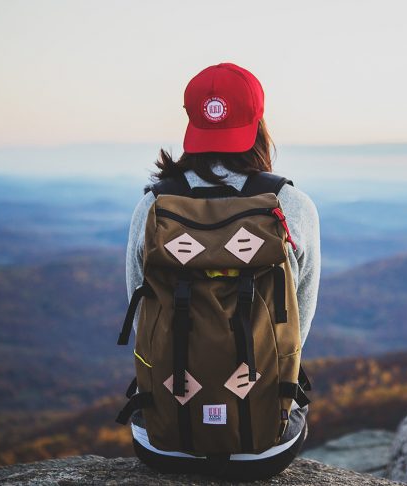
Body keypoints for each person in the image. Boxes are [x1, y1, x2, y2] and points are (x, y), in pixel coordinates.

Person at [124, 62, 321, 480]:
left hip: (166, 443)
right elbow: (297, 326)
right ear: (258, 124)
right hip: (264, 446)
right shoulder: (291, 205)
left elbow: (143, 316)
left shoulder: (154, 206)